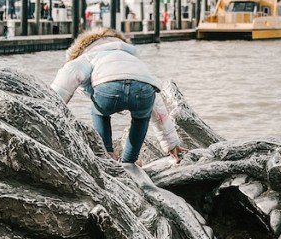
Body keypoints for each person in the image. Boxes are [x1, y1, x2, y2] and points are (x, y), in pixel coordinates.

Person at [50, 27, 185, 164]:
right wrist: (172, 144)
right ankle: (129, 162)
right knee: (141, 119)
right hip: (144, 89)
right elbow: (158, 108)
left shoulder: (88, 55)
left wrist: (49, 104)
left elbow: (69, 75)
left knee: (99, 113)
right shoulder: (132, 59)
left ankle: (107, 153)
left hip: (108, 90)